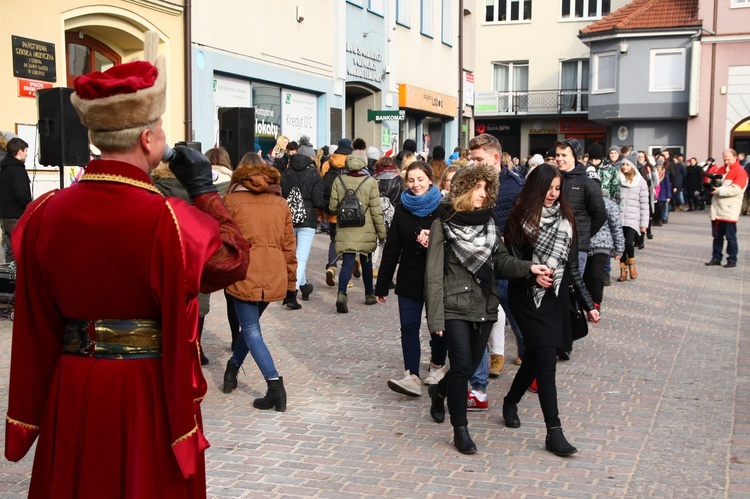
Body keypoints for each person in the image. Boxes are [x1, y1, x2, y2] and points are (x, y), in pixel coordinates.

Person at [5, 52, 249, 497]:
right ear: (147, 138)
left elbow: (36, 319)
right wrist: (203, 190)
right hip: (145, 388)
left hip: (74, 382)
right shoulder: (170, 220)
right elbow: (233, 259)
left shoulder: (44, 212)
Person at [424, 164, 549, 454]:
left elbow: (503, 261)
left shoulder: (490, 223)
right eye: (477, 188)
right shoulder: (442, 224)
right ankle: (460, 429)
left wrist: (529, 267)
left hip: (484, 305)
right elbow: (433, 275)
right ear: (464, 189)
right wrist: (435, 317)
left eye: (485, 188)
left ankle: (438, 391)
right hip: (453, 306)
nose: (482, 194)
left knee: (464, 368)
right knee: (461, 366)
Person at [501, 163, 599, 457]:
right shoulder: (518, 219)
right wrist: (533, 274)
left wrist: (588, 303)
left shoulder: (566, 219)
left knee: (535, 356)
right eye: (548, 188)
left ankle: (510, 401)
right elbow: (512, 265)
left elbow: (571, 268)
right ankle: (553, 432)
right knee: (545, 357)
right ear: (535, 188)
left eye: (558, 188)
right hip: (526, 297)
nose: (554, 194)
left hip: (553, 296)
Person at [221, 153, 296, 413]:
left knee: (251, 329)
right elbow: (289, 245)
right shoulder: (280, 203)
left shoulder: (230, 200)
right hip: (273, 271)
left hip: (243, 270)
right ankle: (232, 368)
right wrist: (291, 282)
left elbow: (221, 239)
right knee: (250, 327)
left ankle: (274, 384)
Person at [151, 148, 235, 365]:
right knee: (198, 300)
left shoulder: (156, 190)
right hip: (195, 251)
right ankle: (196, 348)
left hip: (167, 251)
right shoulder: (199, 191)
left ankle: (170, 348)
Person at [466, 133, 526, 410]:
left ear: (495, 158)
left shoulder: (515, 187)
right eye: (471, 158)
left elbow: (527, 228)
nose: (473, 162)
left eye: (478, 158)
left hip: (505, 268)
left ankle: (532, 366)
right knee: (477, 326)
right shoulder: (468, 183)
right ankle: (478, 388)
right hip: (478, 268)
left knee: (520, 320)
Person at [376, 161, 445, 397]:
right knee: (409, 327)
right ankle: (412, 375)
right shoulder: (402, 208)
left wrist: (434, 237)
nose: (415, 185)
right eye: (411, 180)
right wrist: (382, 284)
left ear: (430, 180)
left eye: (420, 180)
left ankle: (437, 365)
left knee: (437, 328)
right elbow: (392, 248)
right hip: (409, 277)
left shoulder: (443, 207)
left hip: (438, 278)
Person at [329, 151, 386, 313]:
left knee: (347, 262)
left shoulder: (338, 180)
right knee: (366, 261)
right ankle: (369, 294)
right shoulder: (370, 182)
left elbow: (332, 208)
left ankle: (341, 294)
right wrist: (382, 234)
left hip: (345, 228)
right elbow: (376, 211)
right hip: (365, 229)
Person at [281, 142, 325, 302]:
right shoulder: (314, 175)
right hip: (308, 219)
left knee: (293, 255)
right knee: (301, 256)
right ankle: (292, 293)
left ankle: (304, 284)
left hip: (288, 218)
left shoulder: (285, 174)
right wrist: (326, 209)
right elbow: (318, 201)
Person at [583, 169, 625, 312]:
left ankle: (596, 302)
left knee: (596, 274)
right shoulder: (581, 203)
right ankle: (587, 299)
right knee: (585, 275)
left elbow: (616, 227)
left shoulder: (608, 204)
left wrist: (619, 248)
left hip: (602, 244)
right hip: (584, 244)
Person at [704, 149, 749, 268]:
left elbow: (736, 189)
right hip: (718, 208)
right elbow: (716, 183)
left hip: (730, 209)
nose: (726, 161)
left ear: (735, 157)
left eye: (728, 159)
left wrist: (718, 190)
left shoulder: (740, 172)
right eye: (724, 159)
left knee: (730, 236)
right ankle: (716, 257)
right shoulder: (722, 169)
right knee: (717, 236)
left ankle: (732, 259)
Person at [321, 139, 353, 286]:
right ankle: (347, 278)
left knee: (334, 240)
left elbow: (322, 186)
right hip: (350, 210)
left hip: (332, 209)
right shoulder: (352, 162)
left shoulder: (328, 163)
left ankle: (332, 266)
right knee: (348, 242)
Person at [616, 154, 650, 281]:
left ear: (633, 166)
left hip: (633, 218)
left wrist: (644, 223)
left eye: (627, 164)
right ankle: (623, 270)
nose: (624, 167)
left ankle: (632, 265)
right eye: (623, 164)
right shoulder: (617, 179)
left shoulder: (640, 182)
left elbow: (644, 204)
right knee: (620, 245)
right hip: (618, 218)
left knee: (628, 242)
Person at [0, 137, 32, 265]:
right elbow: (21, 194)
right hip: (16, 217)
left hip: (5, 217)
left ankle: (9, 281)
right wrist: (30, 206)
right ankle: (18, 281)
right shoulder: (18, 170)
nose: (27, 154)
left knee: (10, 252)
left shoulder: (4, 169)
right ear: (19, 152)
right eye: (25, 151)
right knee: (21, 250)